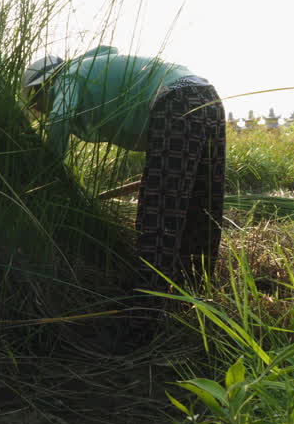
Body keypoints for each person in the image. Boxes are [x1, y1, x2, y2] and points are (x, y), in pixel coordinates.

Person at [23, 46, 225, 280]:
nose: (41, 111)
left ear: (46, 84)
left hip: (174, 100)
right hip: (206, 95)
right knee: (202, 200)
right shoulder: (91, 68)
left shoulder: (69, 74)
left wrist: (49, 172)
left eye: (37, 103)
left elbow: (60, 117)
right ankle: (196, 286)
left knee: (158, 209)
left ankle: (149, 301)